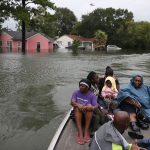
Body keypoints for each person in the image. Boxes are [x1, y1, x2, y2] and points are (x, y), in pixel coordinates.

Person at [71, 79, 98, 145]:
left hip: (87, 117)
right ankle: (80, 132)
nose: (81, 87)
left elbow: (96, 105)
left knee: (89, 108)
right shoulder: (76, 93)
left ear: (87, 87)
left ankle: (86, 131)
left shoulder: (92, 95)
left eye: (83, 86)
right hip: (77, 116)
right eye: (80, 85)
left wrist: (91, 107)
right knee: (77, 108)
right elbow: (72, 102)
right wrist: (78, 105)